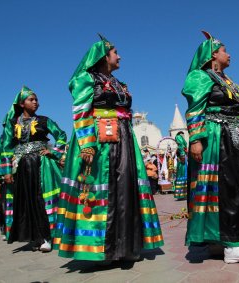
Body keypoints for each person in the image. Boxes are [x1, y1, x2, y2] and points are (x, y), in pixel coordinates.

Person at [54, 35, 163, 262]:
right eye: (115, 52)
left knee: (125, 187)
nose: (119, 56)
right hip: (99, 138)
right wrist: (86, 143)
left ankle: (125, 246)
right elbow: (81, 111)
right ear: (104, 56)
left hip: (124, 136)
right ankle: (103, 248)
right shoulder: (87, 79)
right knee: (103, 188)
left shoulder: (118, 83)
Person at [182, 31, 239, 264]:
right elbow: (194, 109)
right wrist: (195, 139)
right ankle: (232, 246)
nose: (229, 54)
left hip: (237, 138)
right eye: (225, 51)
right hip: (217, 138)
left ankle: (218, 243)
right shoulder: (200, 77)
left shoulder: (227, 80)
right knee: (227, 189)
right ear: (213, 54)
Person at [0, 86, 67, 251]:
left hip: (42, 164)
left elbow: (61, 136)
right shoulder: (12, 123)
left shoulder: (44, 120)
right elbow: (5, 147)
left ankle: (48, 236)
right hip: (22, 166)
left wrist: (53, 152)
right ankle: (36, 236)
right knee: (26, 200)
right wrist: (7, 171)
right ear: (22, 104)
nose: (36, 102)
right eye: (31, 99)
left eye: (36, 99)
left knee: (40, 198)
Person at [173, 131, 188, 199]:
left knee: (182, 176)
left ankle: (182, 194)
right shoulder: (182, 148)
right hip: (182, 164)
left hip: (182, 163)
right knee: (183, 176)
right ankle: (183, 194)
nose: (176, 141)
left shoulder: (180, 148)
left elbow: (182, 155)